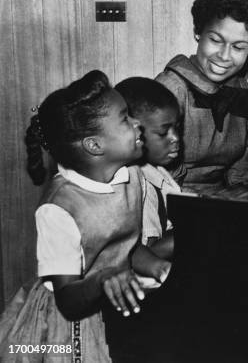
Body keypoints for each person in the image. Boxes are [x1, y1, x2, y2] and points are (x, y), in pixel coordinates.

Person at [0, 70, 170, 362]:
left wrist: (157, 266)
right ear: (95, 145)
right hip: (70, 323)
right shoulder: (58, 208)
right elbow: (67, 300)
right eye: (125, 118)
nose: (138, 123)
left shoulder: (131, 175)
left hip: (115, 304)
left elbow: (124, 247)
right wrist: (103, 279)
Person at [156, 0, 248, 193]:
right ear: (198, 32)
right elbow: (157, 168)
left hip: (220, 198)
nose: (224, 55)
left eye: (238, 47)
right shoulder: (170, 88)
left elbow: (242, 163)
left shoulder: (241, 89)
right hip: (172, 195)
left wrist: (240, 198)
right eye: (215, 40)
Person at [116, 77, 181, 255]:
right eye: (163, 132)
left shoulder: (157, 171)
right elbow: (150, 252)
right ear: (132, 131)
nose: (175, 138)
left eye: (177, 127)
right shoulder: (137, 184)